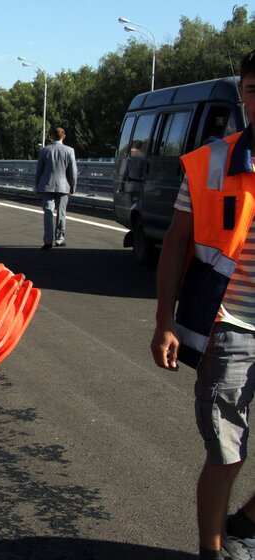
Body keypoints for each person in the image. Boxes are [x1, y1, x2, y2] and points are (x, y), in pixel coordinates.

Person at [150, 49, 255, 560]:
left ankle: (247, 524)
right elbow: (175, 241)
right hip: (230, 326)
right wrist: (164, 320)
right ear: (242, 93)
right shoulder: (212, 161)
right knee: (225, 449)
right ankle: (212, 550)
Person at [34, 126, 77, 249]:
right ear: (64, 136)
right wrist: (73, 186)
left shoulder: (44, 150)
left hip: (47, 185)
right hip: (64, 186)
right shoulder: (70, 151)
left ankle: (48, 241)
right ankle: (59, 239)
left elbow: (39, 170)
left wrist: (37, 186)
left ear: (52, 136)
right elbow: (73, 171)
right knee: (61, 213)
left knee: (48, 212)